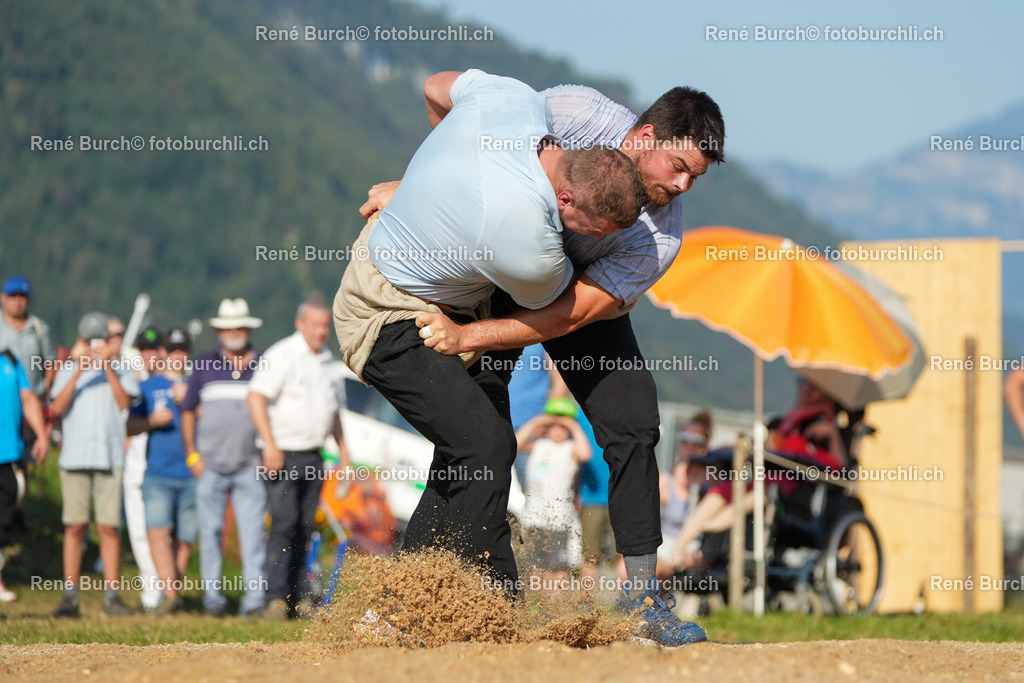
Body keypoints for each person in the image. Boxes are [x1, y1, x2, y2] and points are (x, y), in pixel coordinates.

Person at [365, 74, 724, 646]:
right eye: (678, 167)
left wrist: (471, 337)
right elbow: (457, 117)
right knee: (475, 441)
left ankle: (642, 603)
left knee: (634, 422)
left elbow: (568, 316)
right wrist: (420, 192)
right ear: (645, 137)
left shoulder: (659, 237)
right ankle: (401, 603)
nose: (682, 186)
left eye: (694, 178)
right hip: (496, 280)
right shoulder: (573, 112)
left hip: (575, 302)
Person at [333, 69, 645, 601]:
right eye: (594, 232)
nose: (592, 244)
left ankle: (407, 607)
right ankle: (481, 605)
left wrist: (422, 185)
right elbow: (566, 313)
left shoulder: (513, 100)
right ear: (566, 199)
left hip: (437, 289)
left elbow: (435, 86)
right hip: (384, 311)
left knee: (474, 451)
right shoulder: (528, 243)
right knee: (483, 445)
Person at [668, 381, 846, 572]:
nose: (805, 388)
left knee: (758, 495)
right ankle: (679, 547)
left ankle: (709, 527)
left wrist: (831, 432)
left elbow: (838, 468)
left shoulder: (823, 430)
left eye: (812, 386)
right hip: (760, 479)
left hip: (789, 495)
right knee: (723, 489)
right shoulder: (782, 424)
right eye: (802, 384)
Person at [248, 301, 348, 620]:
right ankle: (275, 597)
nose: (321, 331)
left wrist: (345, 455)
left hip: (314, 455)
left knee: (306, 527)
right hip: (282, 454)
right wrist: (270, 444)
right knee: (283, 524)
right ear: (300, 323)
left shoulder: (329, 362)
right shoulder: (281, 354)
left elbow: (335, 413)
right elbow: (255, 396)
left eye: (325, 326)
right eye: (315, 324)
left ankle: (298, 596)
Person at [181, 298, 267, 618]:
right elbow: (187, 410)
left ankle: (254, 602)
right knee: (210, 533)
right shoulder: (203, 365)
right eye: (228, 327)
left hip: (250, 464)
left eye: (239, 326)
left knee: (253, 535)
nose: (234, 332)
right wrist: (192, 455)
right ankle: (213, 600)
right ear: (220, 331)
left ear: (248, 329)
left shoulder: (265, 364)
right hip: (210, 465)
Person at [50, 312, 138, 617]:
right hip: (74, 457)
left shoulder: (122, 368)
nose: (96, 345)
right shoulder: (69, 368)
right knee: (75, 525)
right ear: (81, 341)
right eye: (90, 340)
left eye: (101, 339)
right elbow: (56, 407)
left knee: (108, 527)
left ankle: (112, 597)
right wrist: (78, 369)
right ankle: (70, 596)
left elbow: (125, 404)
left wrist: (108, 367)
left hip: (109, 457)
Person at [127, 327, 196, 615]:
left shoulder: (196, 384)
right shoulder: (147, 386)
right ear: (164, 353)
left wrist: (189, 402)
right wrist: (151, 421)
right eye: (173, 351)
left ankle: (172, 593)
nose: (178, 356)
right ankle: (170, 598)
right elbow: (130, 426)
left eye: (183, 351)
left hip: (192, 472)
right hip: (157, 473)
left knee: (185, 539)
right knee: (157, 532)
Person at [515, 397, 591, 595]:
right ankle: (534, 601)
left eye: (563, 426)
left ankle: (555, 601)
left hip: (558, 519)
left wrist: (573, 426)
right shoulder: (539, 444)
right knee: (533, 564)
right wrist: (537, 422)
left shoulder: (570, 448)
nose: (558, 430)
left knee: (557, 566)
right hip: (534, 516)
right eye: (554, 425)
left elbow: (585, 454)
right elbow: (515, 443)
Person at [0, 276, 56, 502]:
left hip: (30, 404)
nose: (17, 301)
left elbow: (49, 362)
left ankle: (20, 508)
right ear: (3, 298)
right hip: (4, 406)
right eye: (12, 296)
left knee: (24, 461)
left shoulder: (39, 329)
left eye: (22, 297)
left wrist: (46, 389)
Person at [122, 326, 165, 613]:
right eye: (145, 350)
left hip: (162, 468)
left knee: (162, 531)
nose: (150, 355)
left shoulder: (171, 383)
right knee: (138, 532)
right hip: (135, 465)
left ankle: (168, 588)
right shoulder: (131, 383)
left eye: (154, 349)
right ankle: (151, 594)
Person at [0, 348, 48, 602]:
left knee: (4, 519)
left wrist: (41, 435)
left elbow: (28, 397)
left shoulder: (9, 361)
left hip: (8, 453)